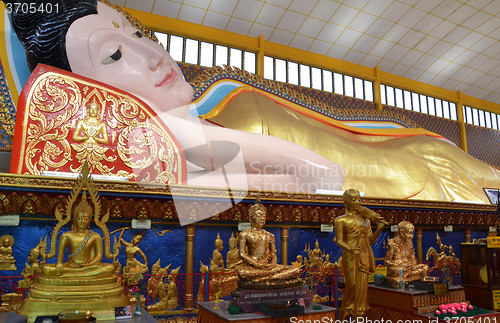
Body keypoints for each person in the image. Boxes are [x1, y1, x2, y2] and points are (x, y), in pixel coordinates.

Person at [7, 0, 343, 195]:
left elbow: (318, 177)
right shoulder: (146, 142)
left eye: (138, 35)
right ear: (84, 96)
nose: (153, 53)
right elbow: (323, 174)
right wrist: (179, 132)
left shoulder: (203, 128)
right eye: (114, 55)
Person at [334, 189, 386, 323]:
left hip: (363, 253)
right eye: (353, 199)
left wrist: (379, 228)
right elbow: (338, 240)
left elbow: (371, 240)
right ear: (345, 201)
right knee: (352, 286)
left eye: (358, 199)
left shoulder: (365, 220)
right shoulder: (341, 220)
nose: (357, 202)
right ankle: (341, 321)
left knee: (362, 288)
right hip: (350, 255)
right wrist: (350, 249)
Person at [40, 194, 115, 278]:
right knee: (46, 269)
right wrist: (59, 264)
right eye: (79, 218)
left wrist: (88, 265)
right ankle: (81, 274)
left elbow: (99, 256)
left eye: (86, 218)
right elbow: (61, 253)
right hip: (70, 266)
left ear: (90, 220)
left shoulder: (95, 236)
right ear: (75, 219)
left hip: (89, 267)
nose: (82, 221)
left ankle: (74, 275)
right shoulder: (67, 235)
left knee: (110, 268)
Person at [237, 198, 300, 286]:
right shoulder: (244, 234)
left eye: (264, 216)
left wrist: (273, 264)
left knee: (295, 270)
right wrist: (256, 264)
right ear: (251, 218)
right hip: (253, 267)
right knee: (243, 273)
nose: (262, 218)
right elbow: (242, 254)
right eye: (259, 216)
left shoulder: (269, 235)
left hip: (268, 267)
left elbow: (273, 253)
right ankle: (270, 278)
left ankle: (262, 278)